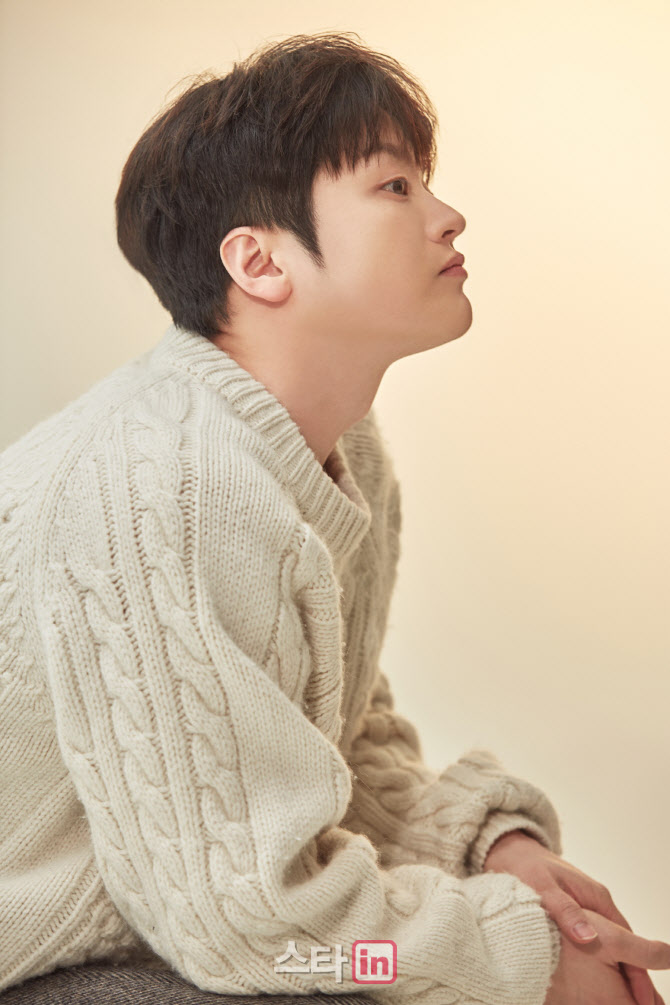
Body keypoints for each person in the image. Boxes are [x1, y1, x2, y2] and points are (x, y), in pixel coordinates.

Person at [0, 30, 667, 1005]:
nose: (447, 215)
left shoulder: (337, 444)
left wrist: (487, 848)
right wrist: (512, 956)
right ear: (259, 261)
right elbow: (255, 936)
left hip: (186, 925)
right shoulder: (167, 491)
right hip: (49, 960)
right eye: (395, 187)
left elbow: (320, 732)